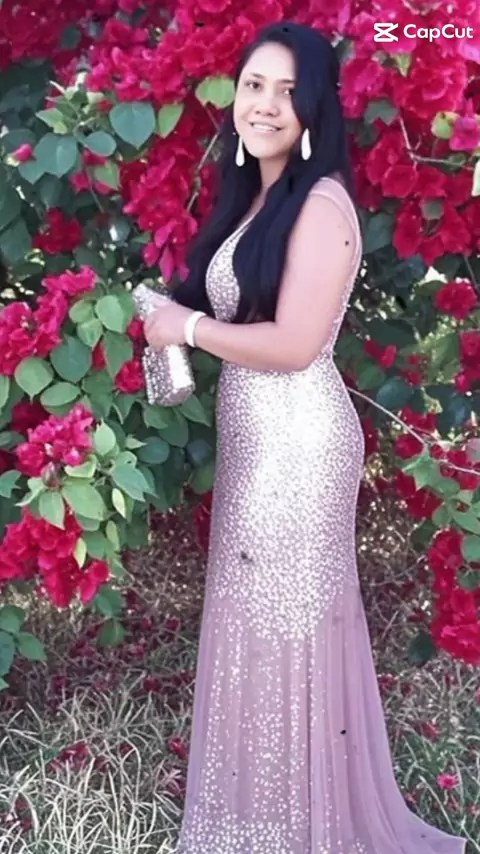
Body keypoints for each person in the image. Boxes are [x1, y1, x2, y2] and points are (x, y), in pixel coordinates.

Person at [144, 21, 467, 854]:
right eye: (254, 84)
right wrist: (169, 314)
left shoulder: (321, 206)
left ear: (316, 107)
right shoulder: (256, 199)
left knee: (285, 619)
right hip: (257, 438)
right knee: (253, 614)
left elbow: (292, 344)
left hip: (299, 441)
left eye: (288, 91)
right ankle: (256, 818)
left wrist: (187, 327)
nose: (265, 105)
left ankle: (297, 828)